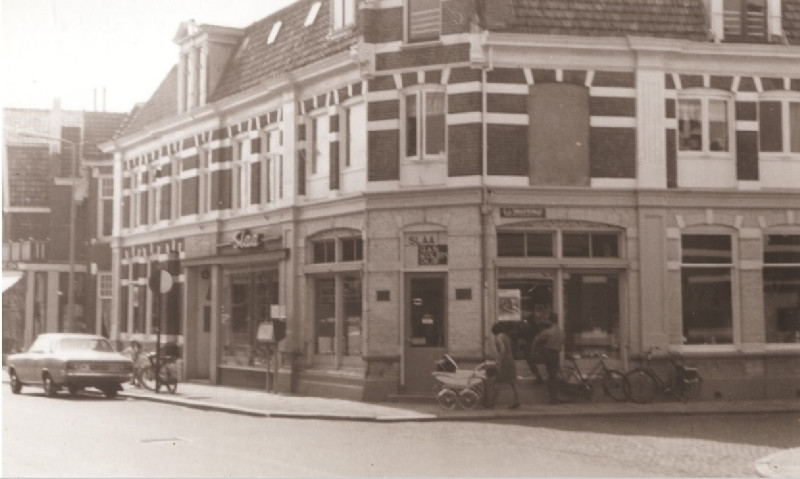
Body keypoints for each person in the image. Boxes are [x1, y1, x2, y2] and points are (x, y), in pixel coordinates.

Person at [488, 321, 521, 409]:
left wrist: (499, 360)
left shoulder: (498, 337)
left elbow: (502, 349)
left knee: (497, 381)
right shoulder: (506, 336)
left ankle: (492, 402)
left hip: (505, 360)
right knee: (513, 382)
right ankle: (517, 400)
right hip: (511, 359)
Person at [531, 318, 564, 404]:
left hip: (548, 353)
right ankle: (554, 396)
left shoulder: (548, 332)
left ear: (551, 322)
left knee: (551, 376)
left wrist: (534, 350)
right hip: (556, 354)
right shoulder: (561, 332)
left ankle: (552, 398)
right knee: (553, 375)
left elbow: (536, 339)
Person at [524, 303, 556, 383]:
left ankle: (543, 377)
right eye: (538, 311)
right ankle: (543, 377)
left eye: (540, 311)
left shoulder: (543, 323)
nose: (539, 314)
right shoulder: (537, 322)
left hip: (540, 344)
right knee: (532, 360)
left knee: (533, 360)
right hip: (538, 344)